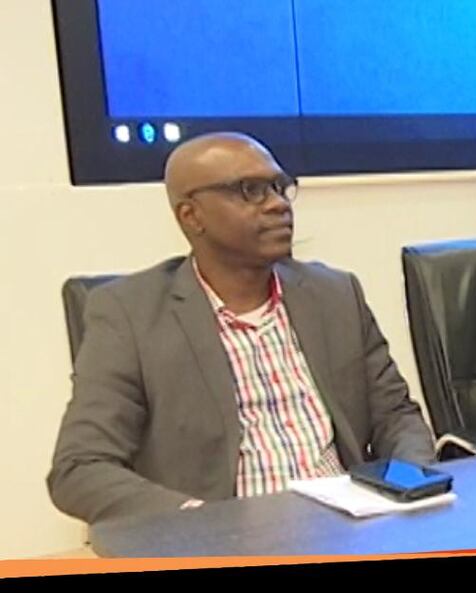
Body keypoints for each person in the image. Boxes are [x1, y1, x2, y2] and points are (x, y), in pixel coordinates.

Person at [49, 132, 434, 523]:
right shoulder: (130, 315)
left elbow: (397, 417)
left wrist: (408, 491)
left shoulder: (335, 295)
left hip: (351, 529)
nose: (278, 204)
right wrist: (201, 523)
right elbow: (79, 468)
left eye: (279, 187)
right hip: (225, 536)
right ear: (191, 215)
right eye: (250, 190)